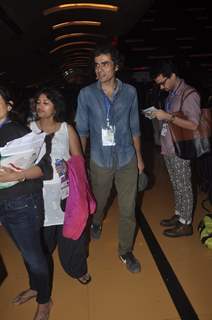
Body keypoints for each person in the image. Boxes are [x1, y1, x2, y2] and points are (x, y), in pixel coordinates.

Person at [75, 45, 144, 273]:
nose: (99, 69)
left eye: (104, 64)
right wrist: (78, 164)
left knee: (128, 209)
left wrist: (140, 158)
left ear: (116, 66)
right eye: (96, 65)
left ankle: (125, 251)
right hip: (100, 160)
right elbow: (82, 131)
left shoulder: (130, 92)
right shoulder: (86, 94)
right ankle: (96, 221)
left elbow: (135, 127)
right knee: (99, 201)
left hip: (126, 158)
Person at [29, 87, 91, 285]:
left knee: (72, 235)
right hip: (39, 194)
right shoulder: (29, 129)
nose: (40, 106)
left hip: (65, 193)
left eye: (46, 102)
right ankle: (40, 275)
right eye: (38, 102)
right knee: (42, 240)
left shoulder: (66, 129)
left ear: (55, 107)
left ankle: (77, 267)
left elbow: (79, 160)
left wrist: (68, 165)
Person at [0, 86, 52, 320]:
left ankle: (44, 300)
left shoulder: (18, 132)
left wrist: (16, 175)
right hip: (5, 205)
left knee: (34, 256)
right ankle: (36, 287)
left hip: (22, 204)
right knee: (26, 251)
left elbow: (45, 168)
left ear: (9, 105)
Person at [151, 61, 201, 237]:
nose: (162, 87)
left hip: (181, 149)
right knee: (176, 184)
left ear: (172, 75)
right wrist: (161, 116)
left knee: (184, 186)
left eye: (163, 82)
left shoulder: (189, 94)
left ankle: (186, 224)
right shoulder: (172, 94)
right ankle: (179, 215)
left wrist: (168, 117)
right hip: (169, 148)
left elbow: (194, 125)